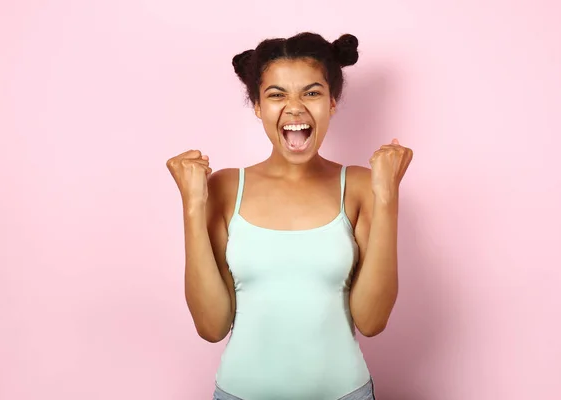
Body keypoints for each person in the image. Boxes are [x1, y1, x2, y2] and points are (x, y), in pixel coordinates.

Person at [166, 32, 413, 400]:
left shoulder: (361, 186)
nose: (294, 108)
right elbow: (212, 326)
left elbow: (372, 321)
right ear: (257, 106)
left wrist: (388, 194)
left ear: (332, 102)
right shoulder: (225, 188)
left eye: (311, 93)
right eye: (276, 94)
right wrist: (192, 204)